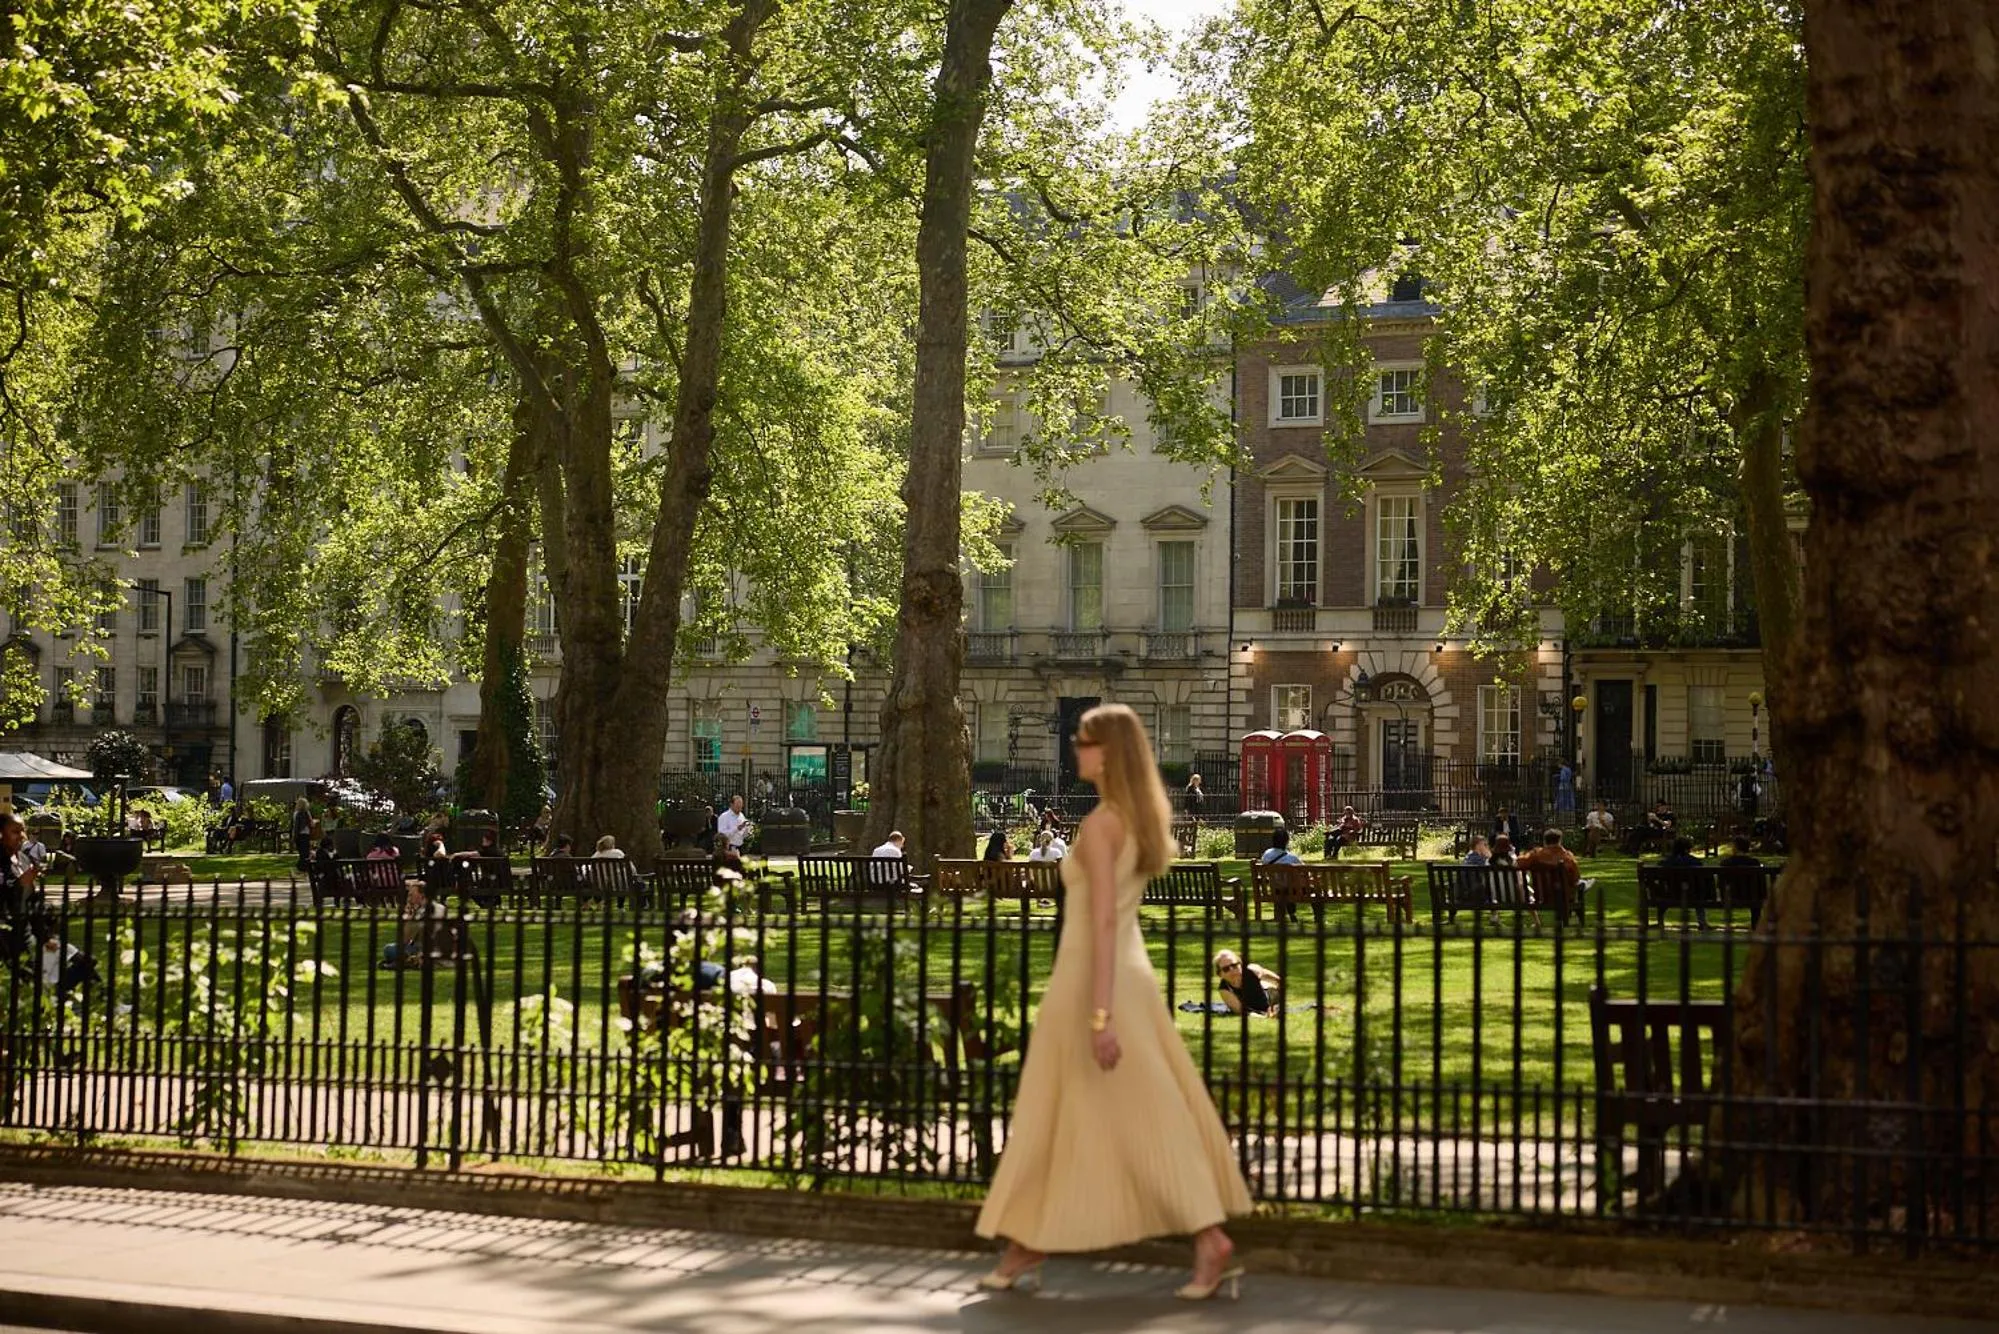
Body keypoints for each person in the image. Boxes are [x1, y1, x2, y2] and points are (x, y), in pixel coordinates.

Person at [975, 702, 1249, 1300]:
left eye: (1085, 742)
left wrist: (1099, 1016)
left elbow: (1099, 922)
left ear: (1110, 752)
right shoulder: (1131, 816)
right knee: (1068, 1108)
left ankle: (1209, 1240)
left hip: (1098, 984)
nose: (1077, 749)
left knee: (1135, 1112)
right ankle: (1029, 1240)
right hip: (1121, 977)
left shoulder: (1102, 824)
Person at [1518, 828, 1582, 925]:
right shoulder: (1567, 857)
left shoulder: (1536, 855)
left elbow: (1519, 862)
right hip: (1563, 897)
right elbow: (1576, 877)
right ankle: (1570, 916)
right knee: (1581, 885)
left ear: (1544, 841)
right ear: (1560, 841)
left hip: (1541, 896)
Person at [1212, 949, 1283, 1016]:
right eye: (1226, 969)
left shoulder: (1252, 970)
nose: (1232, 970)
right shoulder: (1225, 989)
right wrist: (1264, 1017)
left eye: (1234, 965)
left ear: (1240, 964)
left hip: (1269, 996)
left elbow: (1268, 974)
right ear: (1220, 974)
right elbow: (1241, 1011)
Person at [290, 797, 313, 872]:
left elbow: (296, 826)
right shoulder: (306, 813)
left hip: (299, 834)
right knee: (305, 852)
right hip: (305, 834)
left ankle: (301, 866)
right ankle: (303, 866)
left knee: (301, 852)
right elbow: (310, 823)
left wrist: (294, 836)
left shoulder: (296, 813)